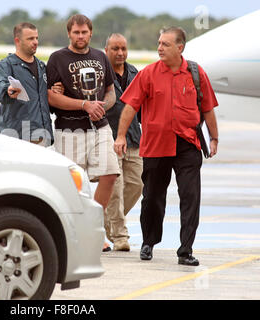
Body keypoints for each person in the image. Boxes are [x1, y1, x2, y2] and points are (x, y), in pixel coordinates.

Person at [114, 27, 219, 266]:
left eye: (165, 44)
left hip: (187, 144)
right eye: (159, 43)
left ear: (179, 48)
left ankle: (185, 250)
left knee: (190, 197)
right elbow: (130, 107)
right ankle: (148, 242)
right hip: (155, 144)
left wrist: (214, 138)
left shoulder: (195, 73)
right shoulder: (148, 74)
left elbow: (208, 108)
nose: (159, 48)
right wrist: (121, 136)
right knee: (152, 198)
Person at [47, 14, 120, 252]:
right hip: (69, 129)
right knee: (72, 185)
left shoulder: (100, 56)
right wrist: (83, 105)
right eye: (76, 32)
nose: (80, 36)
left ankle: (93, 230)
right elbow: (51, 96)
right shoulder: (57, 58)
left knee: (110, 173)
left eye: (84, 32)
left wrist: (102, 107)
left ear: (91, 33)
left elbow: (110, 92)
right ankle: (70, 233)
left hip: (100, 128)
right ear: (69, 33)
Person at [0, 22, 63, 146]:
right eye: (30, 38)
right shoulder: (6, 65)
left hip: (42, 136)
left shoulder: (42, 67)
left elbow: (47, 99)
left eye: (36, 38)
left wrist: (57, 90)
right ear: (17, 41)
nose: (35, 42)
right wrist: (8, 90)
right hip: (16, 137)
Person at [104, 33, 143, 252]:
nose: (120, 53)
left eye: (123, 49)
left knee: (136, 186)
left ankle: (102, 223)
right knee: (115, 189)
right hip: (109, 138)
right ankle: (119, 236)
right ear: (106, 50)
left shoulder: (134, 73)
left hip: (134, 139)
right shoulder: (101, 74)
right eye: (115, 49)